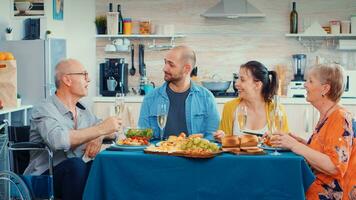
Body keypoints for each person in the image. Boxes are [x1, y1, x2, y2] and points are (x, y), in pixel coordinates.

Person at [24, 59, 122, 200]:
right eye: (84, 74)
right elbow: (58, 141)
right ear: (67, 80)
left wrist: (99, 136)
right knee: (77, 166)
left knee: (106, 165)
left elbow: (113, 130)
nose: (89, 79)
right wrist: (100, 130)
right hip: (45, 178)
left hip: (76, 174)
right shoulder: (44, 109)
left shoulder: (82, 110)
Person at [270, 64, 355, 200]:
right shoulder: (327, 115)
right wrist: (300, 142)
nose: (305, 85)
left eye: (310, 81)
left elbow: (334, 167)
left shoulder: (339, 117)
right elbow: (325, 151)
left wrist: (295, 146)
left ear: (325, 89)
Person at [138, 45, 219, 140]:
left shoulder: (206, 98)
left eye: (171, 65)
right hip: (159, 154)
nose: (164, 68)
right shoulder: (150, 98)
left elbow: (211, 138)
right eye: (165, 63)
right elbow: (143, 138)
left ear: (187, 69)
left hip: (193, 154)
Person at [214, 61, 289, 140]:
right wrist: (221, 137)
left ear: (257, 85)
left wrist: (273, 139)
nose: (236, 84)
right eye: (237, 78)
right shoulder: (230, 107)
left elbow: (285, 143)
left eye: (242, 80)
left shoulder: (277, 109)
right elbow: (224, 145)